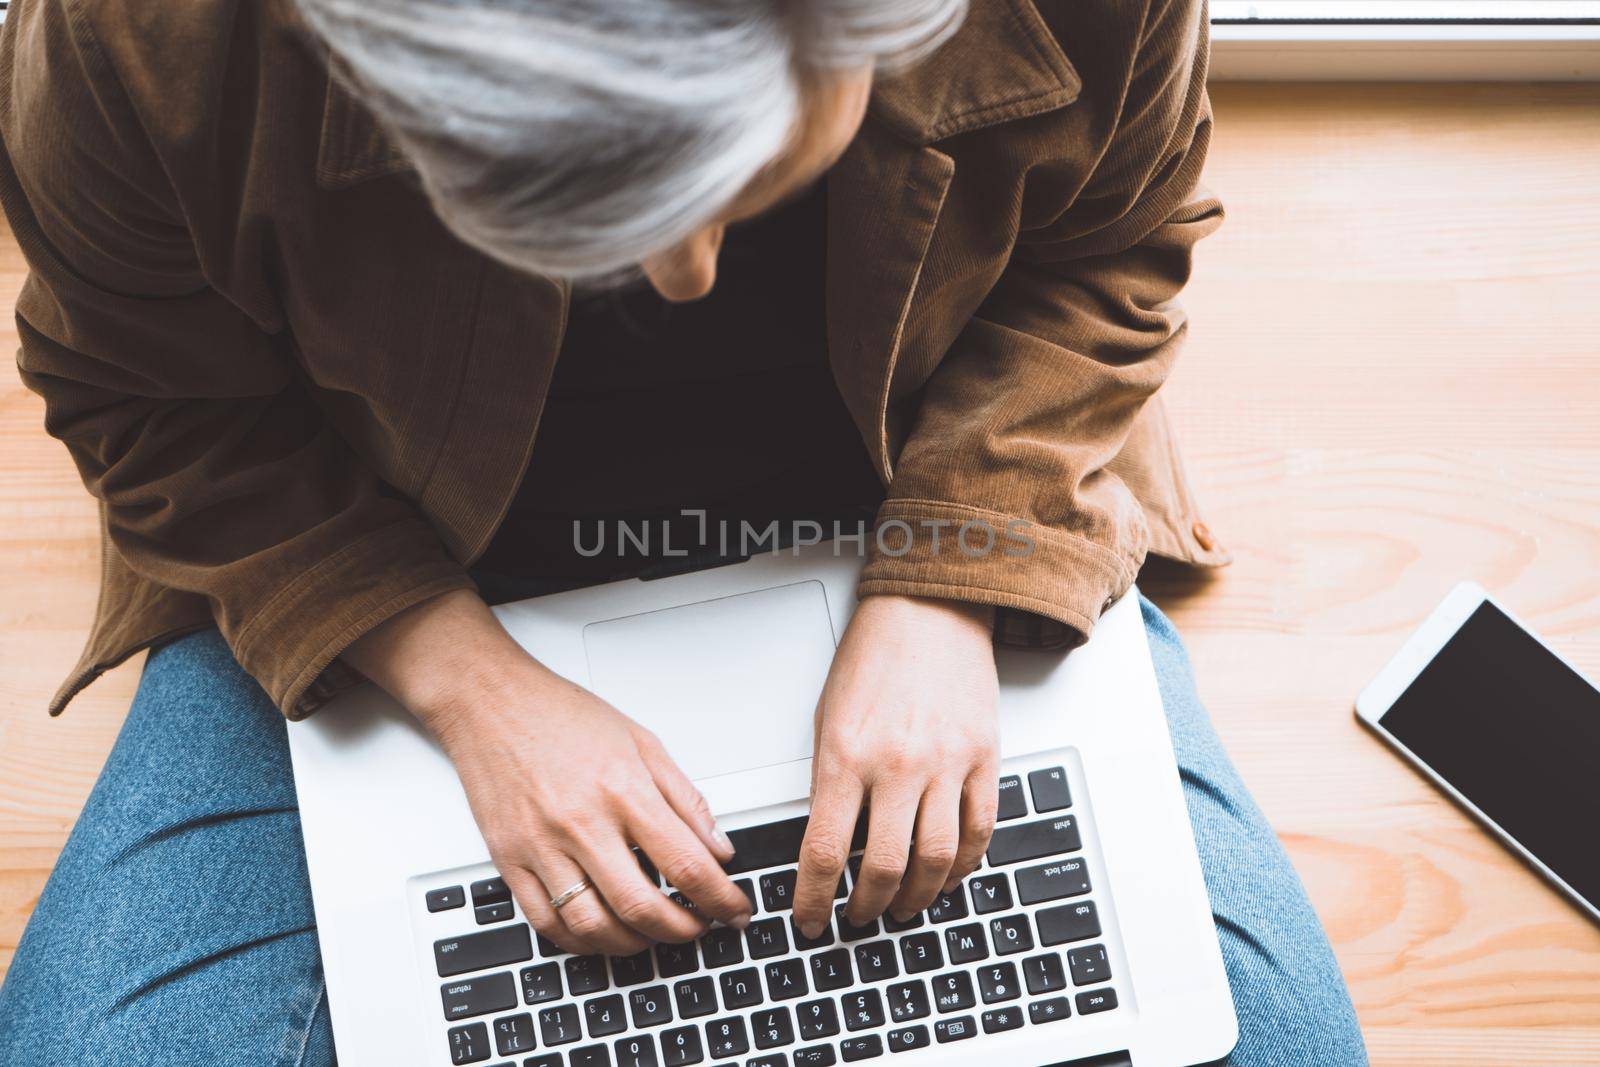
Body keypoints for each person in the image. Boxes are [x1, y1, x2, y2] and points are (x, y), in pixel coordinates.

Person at [0, 0, 1368, 1063]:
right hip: (379, 537)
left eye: (744, 182)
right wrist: (465, 688)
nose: (683, 276)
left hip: (922, 482)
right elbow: (155, 398)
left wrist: (949, 586)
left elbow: (1115, 248)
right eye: (575, 218)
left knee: (1272, 1042)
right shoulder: (149, 38)